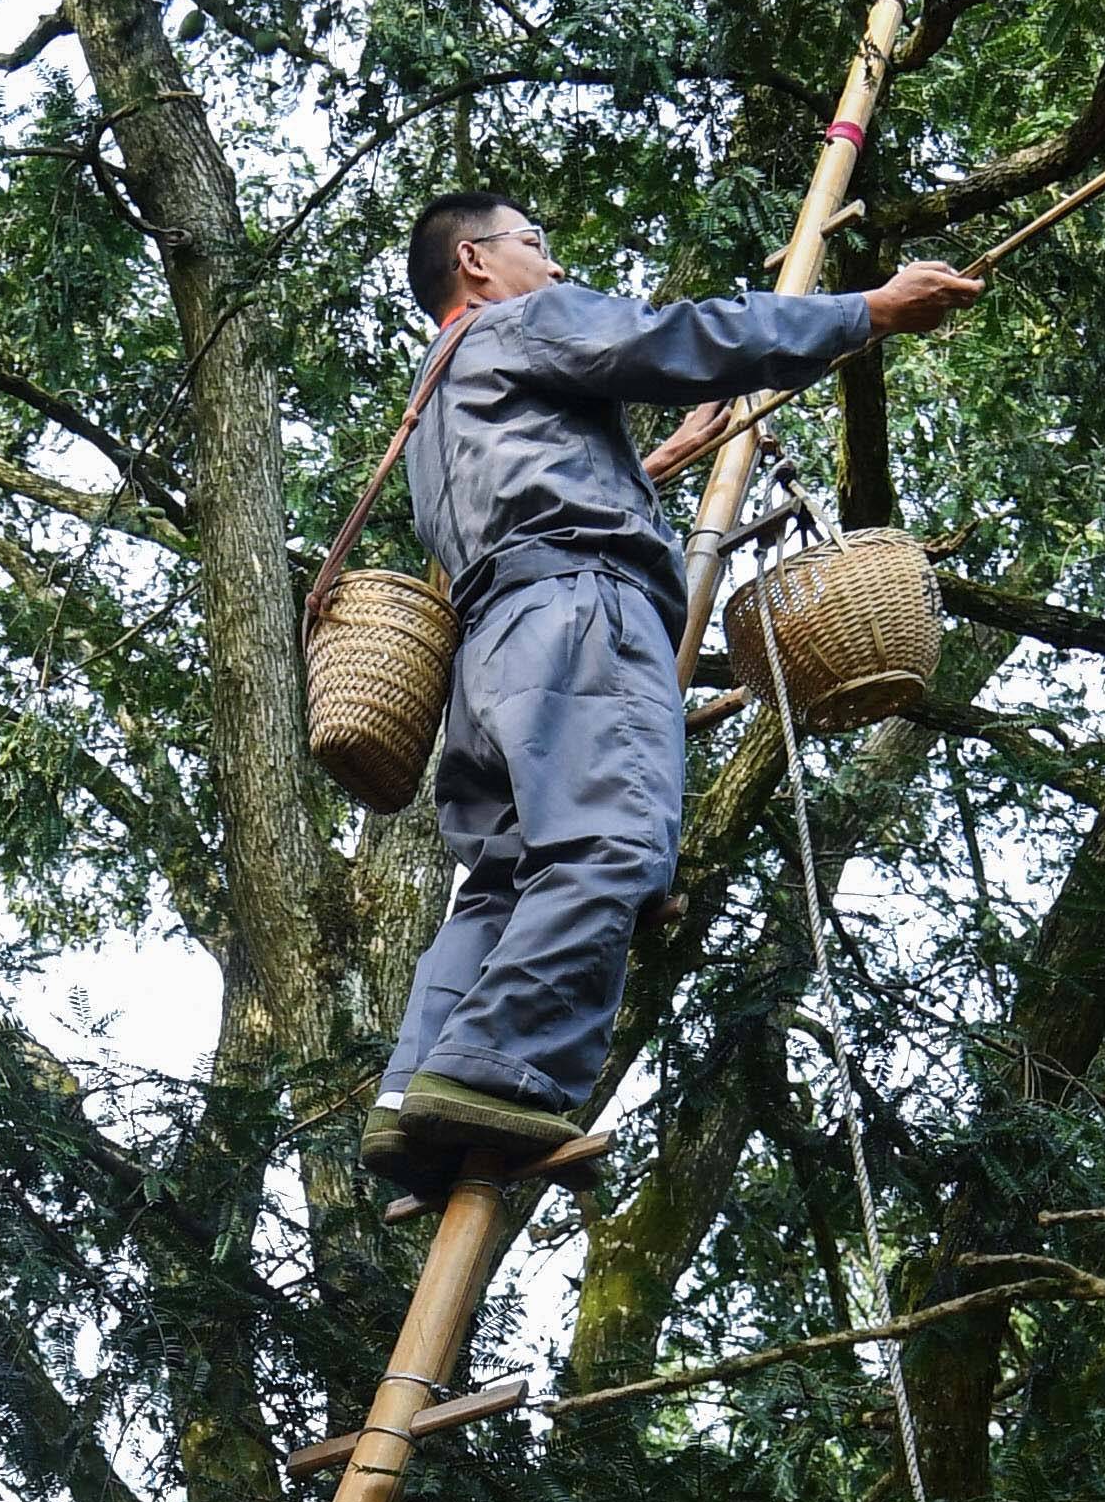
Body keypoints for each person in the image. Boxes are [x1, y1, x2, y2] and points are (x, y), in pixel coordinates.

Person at [363, 190, 984, 1190]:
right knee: (609, 838)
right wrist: (865, 311)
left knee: (499, 885)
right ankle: (494, 1070)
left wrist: (649, 467)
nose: (555, 267)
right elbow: (679, 338)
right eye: (536, 242)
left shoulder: (435, 396)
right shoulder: (527, 322)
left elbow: (530, 494)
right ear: (475, 264)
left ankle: (410, 1103)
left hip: (491, 657)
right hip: (578, 613)